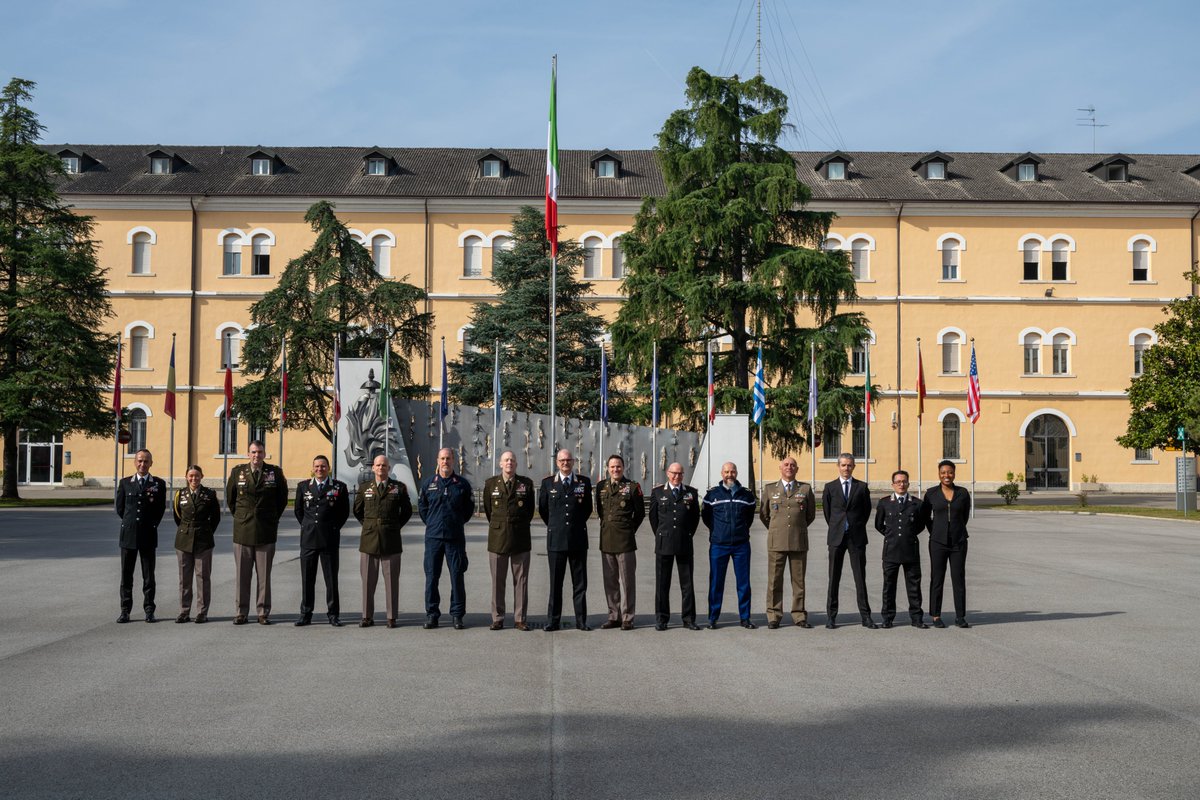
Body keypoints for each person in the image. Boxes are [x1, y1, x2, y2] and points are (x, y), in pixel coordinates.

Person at [226, 440, 289, 625]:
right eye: (253, 452)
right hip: (243, 530)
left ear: (264, 454)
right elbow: (231, 499)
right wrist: (241, 516)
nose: (256, 455)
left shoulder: (274, 472)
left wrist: (271, 518)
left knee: (264, 576)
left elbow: (282, 500)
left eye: (260, 452)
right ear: (248, 454)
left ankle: (262, 612)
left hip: (265, 530)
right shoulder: (238, 472)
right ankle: (241, 612)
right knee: (242, 576)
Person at [418, 447, 474, 630]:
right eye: (442, 458)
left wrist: (455, 523)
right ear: (437, 460)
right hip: (433, 538)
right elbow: (423, 509)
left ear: (454, 460)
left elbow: (468, 511)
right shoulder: (428, 484)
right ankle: (432, 614)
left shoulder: (462, 485)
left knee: (457, 576)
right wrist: (433, 523)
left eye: (448, 458)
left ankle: (457, 615)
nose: (445, 462)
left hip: (455, 537)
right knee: (431, 577)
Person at [354, 454, 412, 628]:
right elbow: (357, 510)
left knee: (392, 580)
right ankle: (367, 616)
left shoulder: (399, 488)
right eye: (378, 465)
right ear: (373, 468)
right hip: (369, 539)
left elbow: (407, 511)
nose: (381, 468)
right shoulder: (365, 488)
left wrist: (394, 526)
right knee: (368, 581)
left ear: (389, 469)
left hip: (391, 539)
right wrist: (370, 525)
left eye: (384, 466)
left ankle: (391, 616)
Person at [759, 456, 817, 629]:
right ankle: (774, 615)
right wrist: (777, 529)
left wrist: (797, 528)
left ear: (797, 469)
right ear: (780, 468)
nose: (789, 467)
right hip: (777, 542)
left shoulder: (805, 489)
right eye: (786, 464)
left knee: (798, 581)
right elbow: (764, 515)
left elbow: (810, 515)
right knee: (774, 580)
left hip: (798, 541)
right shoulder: (770, 489)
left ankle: (799, 615)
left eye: (792, 465)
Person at [539, 448, 593, 631]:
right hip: (556, 541)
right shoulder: (548, 483)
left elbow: (587, 509)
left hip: (577, 539)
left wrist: (573, 526)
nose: (565, 463)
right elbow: (544, 510)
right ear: (557, 463)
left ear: (573, 462)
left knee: (580, 584)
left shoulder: (584, 482)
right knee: (556, 584)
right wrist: (557, 527)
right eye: (562, 460)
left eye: (568, 460)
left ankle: (581, 621)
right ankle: (553, 621)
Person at [821, 453, 877, 629]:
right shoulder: (830, 487)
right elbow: (828, 513)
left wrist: (855, 525)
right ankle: (831, 616)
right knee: (833, 578)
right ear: (838, 466)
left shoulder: (861, 487)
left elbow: (866, 511)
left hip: (856, 537)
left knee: (860, 577)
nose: (846, 468)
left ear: (854, 467)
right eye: (843, 465)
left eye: (849, 465)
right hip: (836, 538)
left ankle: (866, 616)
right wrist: (838, 526)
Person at [294, 455, 350, 627]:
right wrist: (308, 526)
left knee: (331, 580)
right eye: (317, 466)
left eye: (323, 466)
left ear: (328, 468)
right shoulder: (304, 486)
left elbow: (344, 512)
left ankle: (333, 614)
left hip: (329, 540)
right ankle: (306, 614)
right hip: (309, 539)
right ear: (313, 468)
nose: (320, 469)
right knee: (307, 579)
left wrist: (332, 528)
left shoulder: (339, 487)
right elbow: (298, 511)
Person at [482, 451, 536, 631]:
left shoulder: (526, 484)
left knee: (521, 581)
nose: (509, 463)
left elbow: (529, 512)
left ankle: (520, 618)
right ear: (500, 464)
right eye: (506, 460)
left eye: (512, 460)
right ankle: (497, 617)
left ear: (516, 464)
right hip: (497, 539)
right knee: (498, 581)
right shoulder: (490, 484)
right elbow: (490, 511)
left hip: (520, 537)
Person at [701, 462, 757, 629]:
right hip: (719, 545)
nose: (729, 474)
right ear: (721, 473)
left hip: (741, 545)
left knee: (744, 583)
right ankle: (713, 618)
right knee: (716, 582)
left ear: (737, 472)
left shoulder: (746, 495)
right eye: (726, 471)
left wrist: (740, 531)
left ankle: (745, 618)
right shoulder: (712, 494)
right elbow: (706, 517)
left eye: (732, 471)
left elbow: (749, 518)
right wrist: (718, 531)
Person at [115, 448, 167, 623]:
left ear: (151, 463)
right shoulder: (125, 483)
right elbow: (120, 509)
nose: (142, 464)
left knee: (148, 576)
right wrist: (132, 524)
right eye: (139, 460)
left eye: (146, 461)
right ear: (135, 462)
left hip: (148, 535)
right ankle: (125, 610)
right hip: (128, 536)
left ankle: (149, 610)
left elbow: (160, 510)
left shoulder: (158, 484)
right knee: (126, 576)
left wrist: (149, 525)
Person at [594, 454, 645, 630]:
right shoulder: (601, 486)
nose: (615, 469)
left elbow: (639, 514)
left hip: (625, 542)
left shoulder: (632, 487)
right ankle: (613, 615)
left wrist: (628, 530)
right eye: (612, 467)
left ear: (624, 467)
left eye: (619, 466)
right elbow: (600, 511)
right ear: (607, 468)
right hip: (607, 539)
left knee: (627, 581)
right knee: (610, 581)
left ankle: (628, 617)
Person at [648, 462, 701, 631]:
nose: (677, 477)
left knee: (687, 585)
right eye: (674, 473)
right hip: (664, 543)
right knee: (662, 584)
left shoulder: (691, 493)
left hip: (684, 542)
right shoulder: (657, 493)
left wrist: (686, 534)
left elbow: (695, 518)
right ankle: (662, 619)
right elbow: (653, 519)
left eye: (680, 473)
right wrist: (662, 534)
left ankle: (688, 619)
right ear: (667, 473)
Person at [873, 469, 928, 629]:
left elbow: (920, 525)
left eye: (904, 481)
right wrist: (892, 536)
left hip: (910, 549)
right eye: (898, 482)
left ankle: (917, 618)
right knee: (889, 586)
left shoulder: (917, 503)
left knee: (914, 586)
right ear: (893, 485)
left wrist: (907, 535)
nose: (901, 484)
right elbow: (879, 525)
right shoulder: (884, 503)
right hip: (891, 550)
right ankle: (888, 618)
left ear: (908, 484)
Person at [922, 459, 972, 628]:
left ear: (954, 473)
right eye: (943, 472)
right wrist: (936, 531)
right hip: (938, 543)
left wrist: (956, 530)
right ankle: (936, 615)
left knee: (958, 578)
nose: (946, 475)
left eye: (950, 472)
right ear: (939, 474)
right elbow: (925, 517)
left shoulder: (963, 493)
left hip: (958, 542)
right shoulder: (931, 493)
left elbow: (964, 516)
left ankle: (960, 616)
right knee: (937, 578)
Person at [172, 464, 220, 624]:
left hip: (203, 540)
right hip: (184, 540)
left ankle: (202, 612)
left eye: (197, 475)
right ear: (186, 477)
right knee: (184, 578)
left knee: (203, 577)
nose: (194, 478)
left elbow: (215, 518)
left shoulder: (210, 494)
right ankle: (184, 611)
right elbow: (177, 517)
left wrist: (205, 531)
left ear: (202, 477)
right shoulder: (180, 494)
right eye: (191, 476)